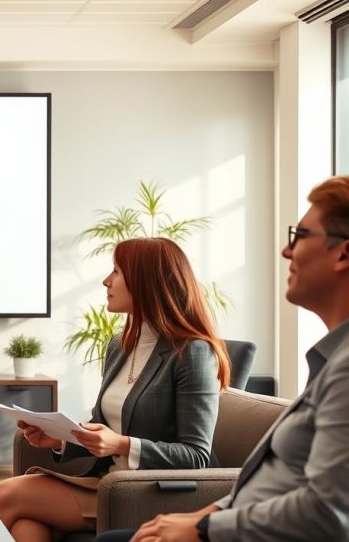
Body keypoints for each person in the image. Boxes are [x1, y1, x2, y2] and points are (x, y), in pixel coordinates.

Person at [97, 177, 349, 542]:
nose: (285, 251)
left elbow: (327, 513)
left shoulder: (342, 371)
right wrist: (207, 513)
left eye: (300, 235)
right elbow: (275, 481)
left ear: (343, 254)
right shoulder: (331, 360)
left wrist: (203, 527)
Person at [0, 237, 231, 542]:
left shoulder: (192, 353)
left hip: (146, 491)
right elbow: (103, 425)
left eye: (116, 271)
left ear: (146, 282)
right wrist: (62, 440)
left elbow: (196, 455)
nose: (106, 281)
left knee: (10, 494)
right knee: (26, 524)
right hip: (108, 481)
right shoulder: (120, 345)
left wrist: (121, 445)